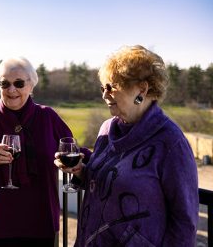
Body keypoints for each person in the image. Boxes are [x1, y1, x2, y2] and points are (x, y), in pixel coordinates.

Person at [55, 45, 199, 246]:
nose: (105, 95)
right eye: (102, 87)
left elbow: (185, 223)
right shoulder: (106, 129)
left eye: (111, 87)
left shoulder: (170, 142)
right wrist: (81, 171)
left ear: (142, 89)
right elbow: (103, 184)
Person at [0, 57, 73, 247]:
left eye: (19, 83)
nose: (11, 90)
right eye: (4, 84)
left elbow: (73, 151)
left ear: (32, 86)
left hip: (41, 222)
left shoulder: (48, 118)